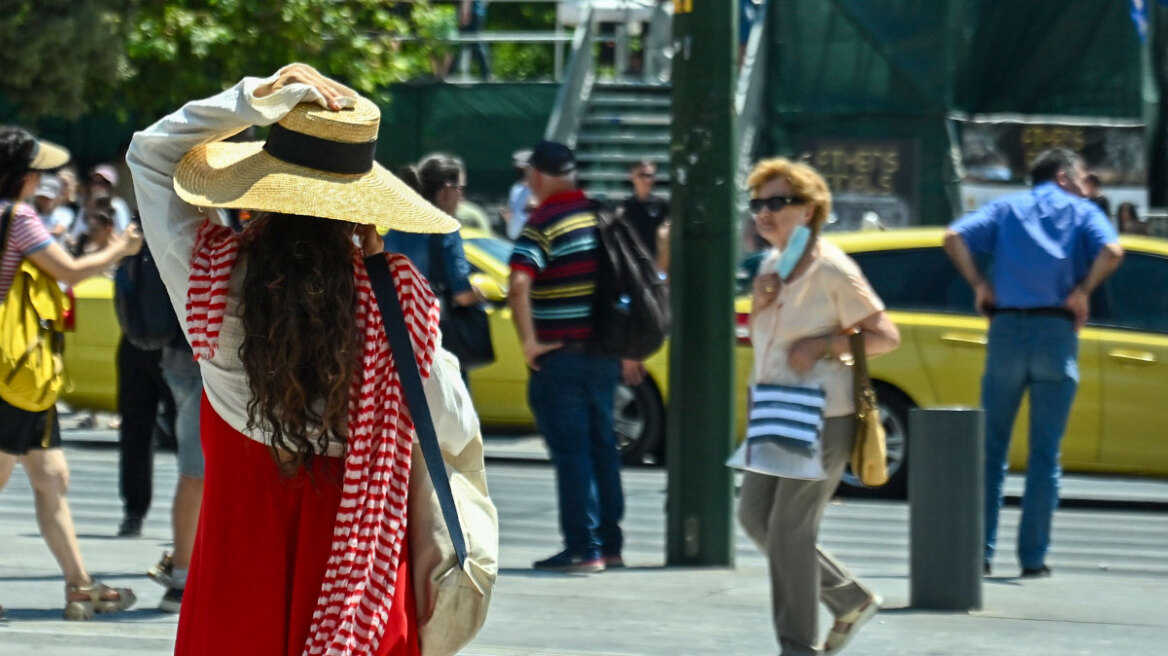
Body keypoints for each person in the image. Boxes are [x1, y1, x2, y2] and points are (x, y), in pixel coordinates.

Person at [128, 63, 477, 654]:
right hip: (357, 585)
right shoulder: (399, 300)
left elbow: (152, 155)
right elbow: (447, 424)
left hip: (235, 579)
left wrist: (254, 100)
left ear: (260, 191)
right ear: (360, 204)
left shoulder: (212, 279)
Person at [735, 157, 900, 656]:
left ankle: (797, 647)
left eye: (777, 203)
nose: (764, 213)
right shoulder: (771, 265)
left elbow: (885, 336)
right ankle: (848, 598)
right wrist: (760, 302)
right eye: (758, 203)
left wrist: (826, 347)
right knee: (754, 517)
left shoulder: (831, 266)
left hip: (822, 415)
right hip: (775, 411)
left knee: (789, 528)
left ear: (808, 211)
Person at [943, 148, 1123, 579]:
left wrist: (979, 283)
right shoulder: (1082, 212)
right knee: (1045, 454)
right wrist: (1083, 290)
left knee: (992, 449)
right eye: (1081, 178)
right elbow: (1113, 252)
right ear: (1063, 176)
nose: (1085, 186)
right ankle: (1033, 558)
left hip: (1006, 330)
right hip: (1056, 333)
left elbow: (952, 237)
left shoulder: (1005, 207)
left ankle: (979, 553)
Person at [0, 125, 141, 620]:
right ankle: (80, 586)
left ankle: (80, 586)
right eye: (36, 170)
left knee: (51, 476)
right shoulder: (18, 219)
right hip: (12, 369)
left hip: (22, 371)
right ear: (22, 176)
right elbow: (71, 272)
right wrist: (119, 248)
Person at [509, 140, 624, 573]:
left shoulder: (545, 222)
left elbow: (519, 284)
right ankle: (610, 544)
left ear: (537, 176)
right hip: (604, 354)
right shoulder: (601, 214)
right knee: (603, 450)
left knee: (572, 453)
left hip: (560, 358)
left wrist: (529, 342)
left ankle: (583, 547)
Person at [386, 153, 483, 374]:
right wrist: (478, 293)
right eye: (461, 189)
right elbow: (462, 295)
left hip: (393, 333)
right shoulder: (445, 228)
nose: (463, 198)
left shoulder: (396, 225)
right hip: (434, 339)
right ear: (446, 190)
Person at [620, 159, 669, 257]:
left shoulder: (662, 206)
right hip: (632, 264)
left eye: (649, 176)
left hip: (655, 263)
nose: (646, 180)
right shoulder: (624, 208)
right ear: (632, 177)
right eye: (641, 175)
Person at [457, 0, 491, 80]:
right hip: (478, 12)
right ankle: (485, 74)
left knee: (470, 43)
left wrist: (465, 13)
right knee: (475, 43)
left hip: (471, 14)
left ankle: (485, 74)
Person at [505, 149, 533, 240]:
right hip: (515, 240)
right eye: (519, 171)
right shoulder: (516, 189)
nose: (521, 175)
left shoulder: (541, 190)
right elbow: (513, 213)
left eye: (524, 171)